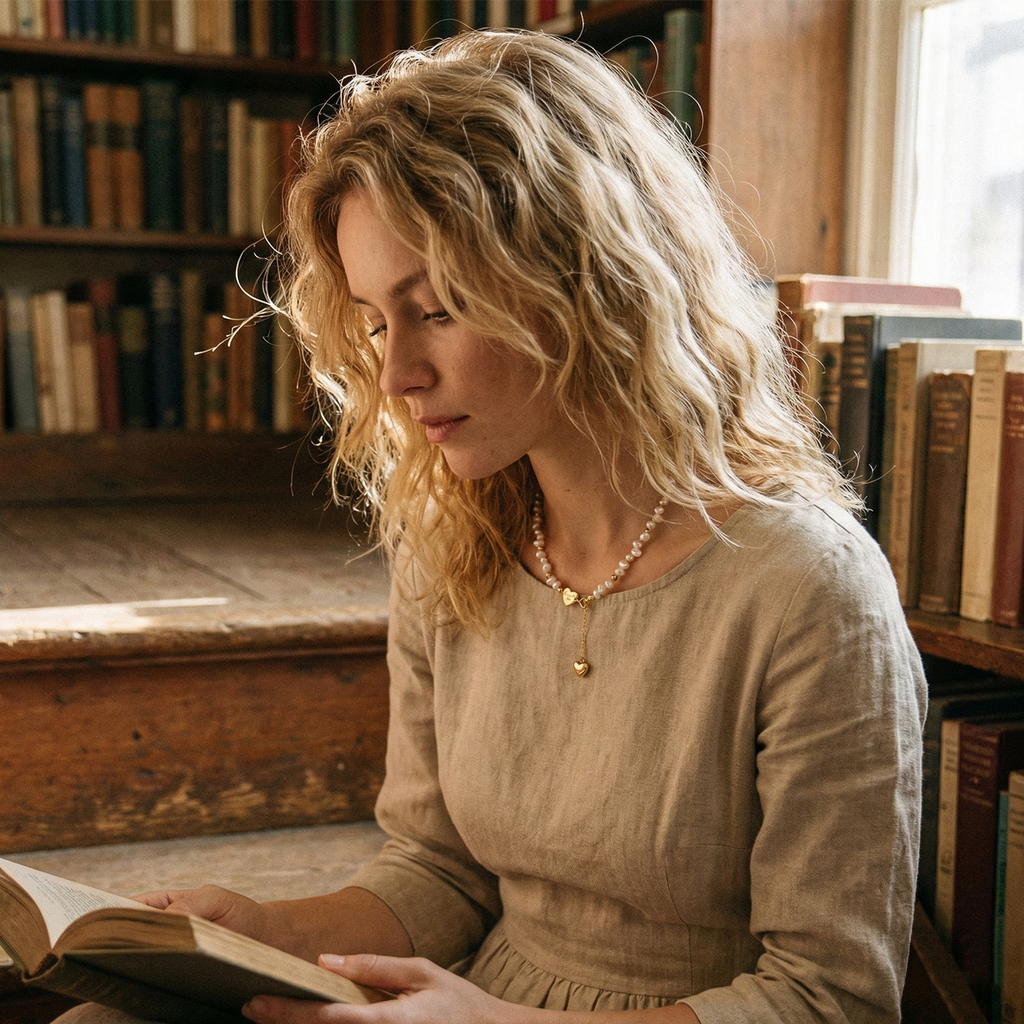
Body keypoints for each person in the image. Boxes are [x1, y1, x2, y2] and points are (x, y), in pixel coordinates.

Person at [58, 28, 926, 1024]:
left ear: (585, 278)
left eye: (434, 309)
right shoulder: (455, 552)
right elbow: (441, 874)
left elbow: (832, 999)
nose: (395, 375)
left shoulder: (807, 589)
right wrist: (269, 930)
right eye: (378, 320)